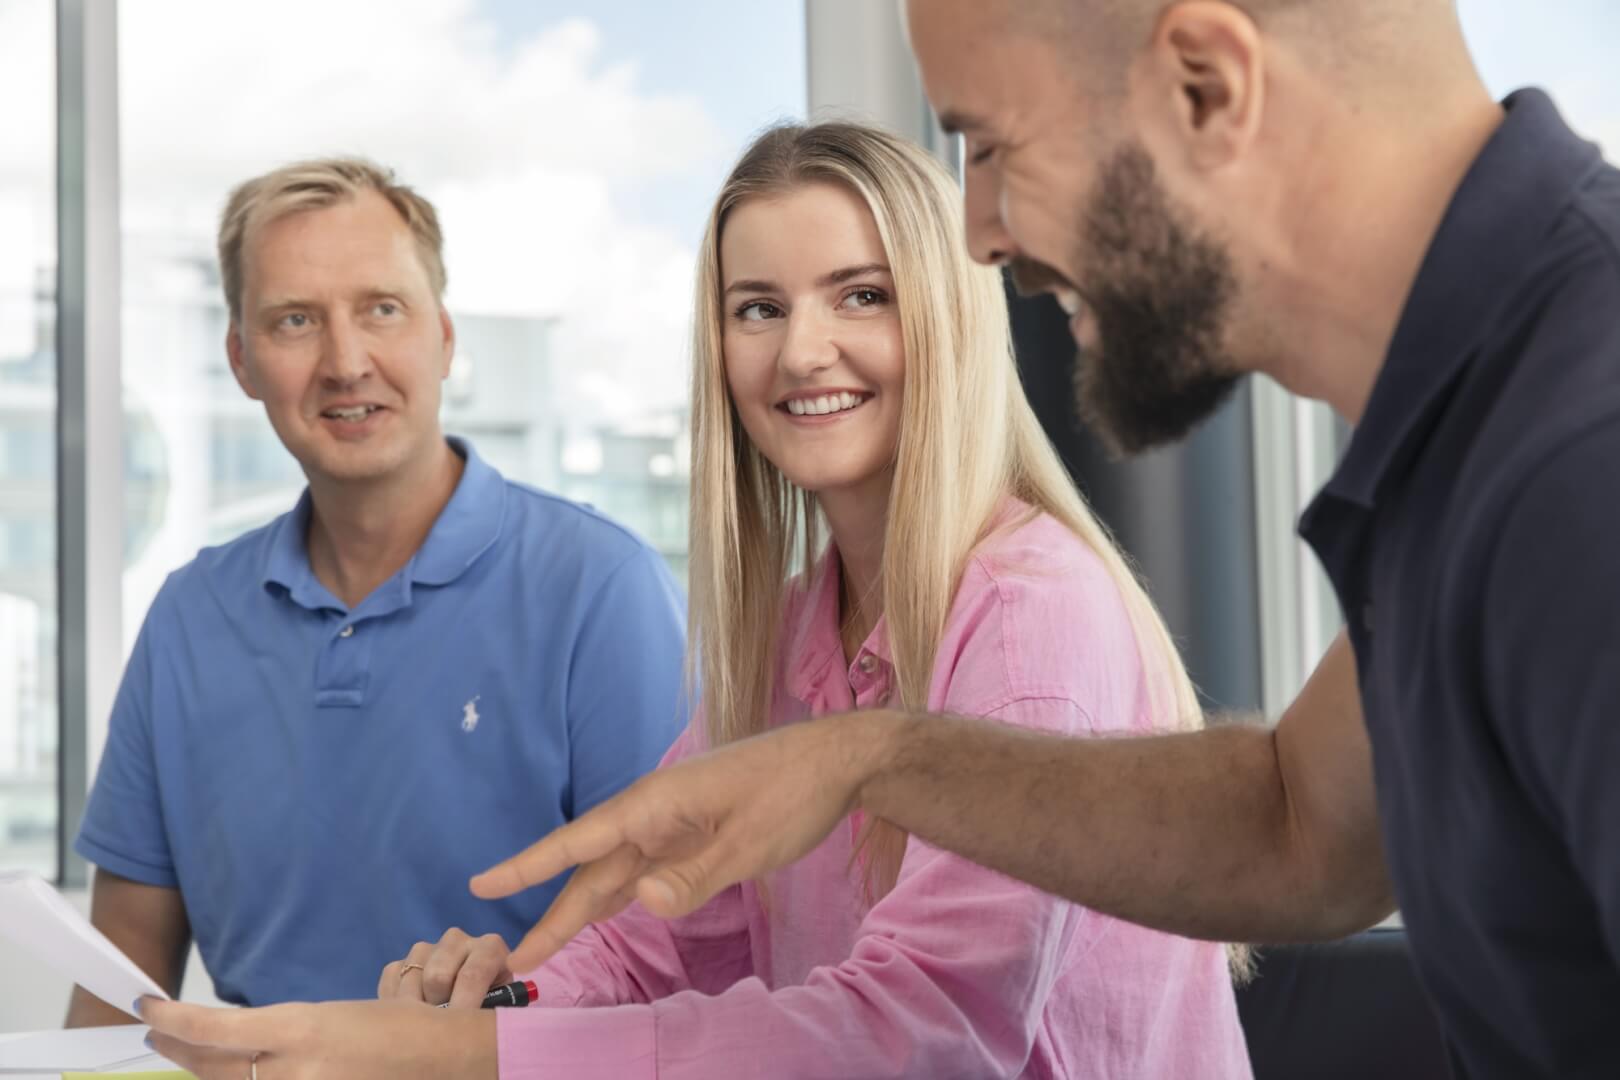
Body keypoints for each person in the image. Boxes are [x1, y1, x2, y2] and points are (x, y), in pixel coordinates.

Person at [417, 3, 1617, 1078]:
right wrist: (864, 757)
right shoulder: (1470, 434)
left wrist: (470, 1061)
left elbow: (932, 1034)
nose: (980, 234)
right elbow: (1302, 827)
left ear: (1205, 84)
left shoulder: (1577, 457)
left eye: (992, 144)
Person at [136, 123, 1253, 1079]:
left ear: (948, 323)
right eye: (757, 308)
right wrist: (500, 1001)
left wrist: (463, 1057)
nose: (802, 351)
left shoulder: (1031, 611)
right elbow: (659, 939)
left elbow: (930, 1037)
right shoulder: (791, 629)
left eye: (861, 295)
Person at [69, 157, 687, 1018]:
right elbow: (117, 984)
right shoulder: (187, 619)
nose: (345, 361)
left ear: (443, 335)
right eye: (294, 322)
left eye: (381, 309)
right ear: (242, 361)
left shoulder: (602, 589)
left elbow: (667, 959)